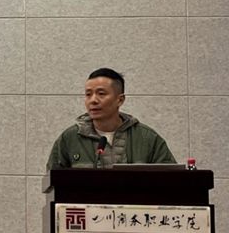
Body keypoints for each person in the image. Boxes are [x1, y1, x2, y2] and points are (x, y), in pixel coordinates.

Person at [46, 68, 176, 170]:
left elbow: (171, 181)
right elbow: (52, 184)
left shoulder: (147, 138)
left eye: (101, 94)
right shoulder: (70, 138)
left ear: (120, 100)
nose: (93, 100)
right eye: (88, 94)